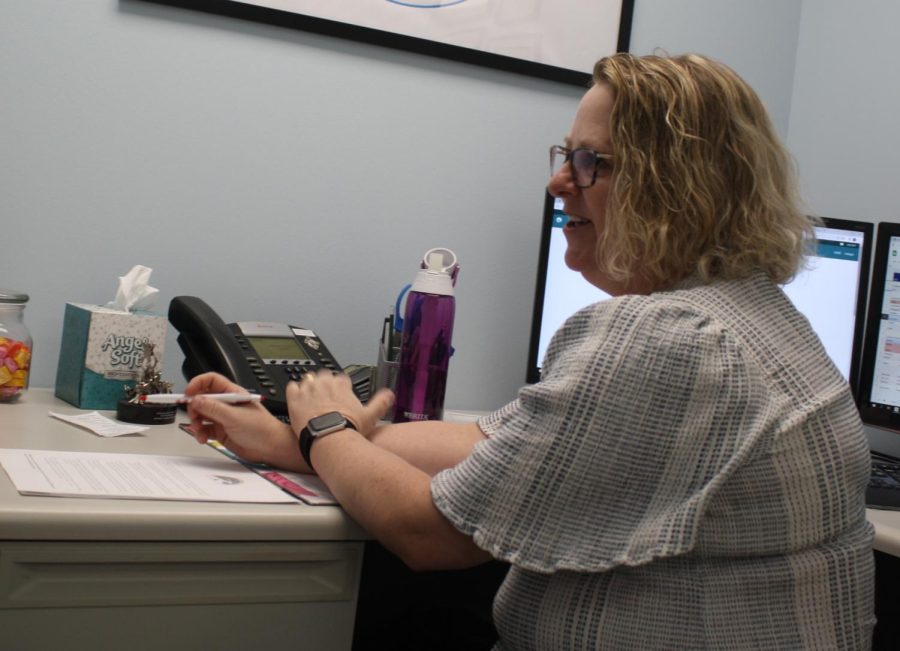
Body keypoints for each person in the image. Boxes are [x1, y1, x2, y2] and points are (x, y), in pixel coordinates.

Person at [184, 52, 875, 649]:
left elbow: (428, 532)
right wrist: (290, 441)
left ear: (674, 189)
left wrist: (326, 426)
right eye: (564, 155)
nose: (557, 183)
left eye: (588, 162)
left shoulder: (668, 338)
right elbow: (495, 442)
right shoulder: (756, 316)